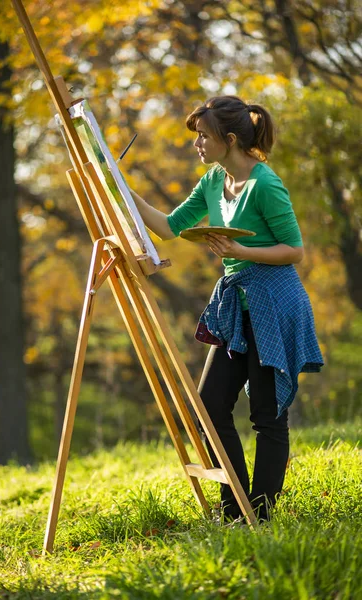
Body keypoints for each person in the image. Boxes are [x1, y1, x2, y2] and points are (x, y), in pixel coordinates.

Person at [130, 95, 323, 523]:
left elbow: (295, 251)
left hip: (276, 302)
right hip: (237, 304)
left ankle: (262, 514)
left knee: (267, 415)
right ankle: (236, 509)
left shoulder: (265, 184)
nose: (197, 144)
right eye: (196, 136)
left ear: (229, 139)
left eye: (203, 137)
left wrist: (239, 249)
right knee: (210, 406)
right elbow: (167, 227)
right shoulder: (213, 181)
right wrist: (122, 191)